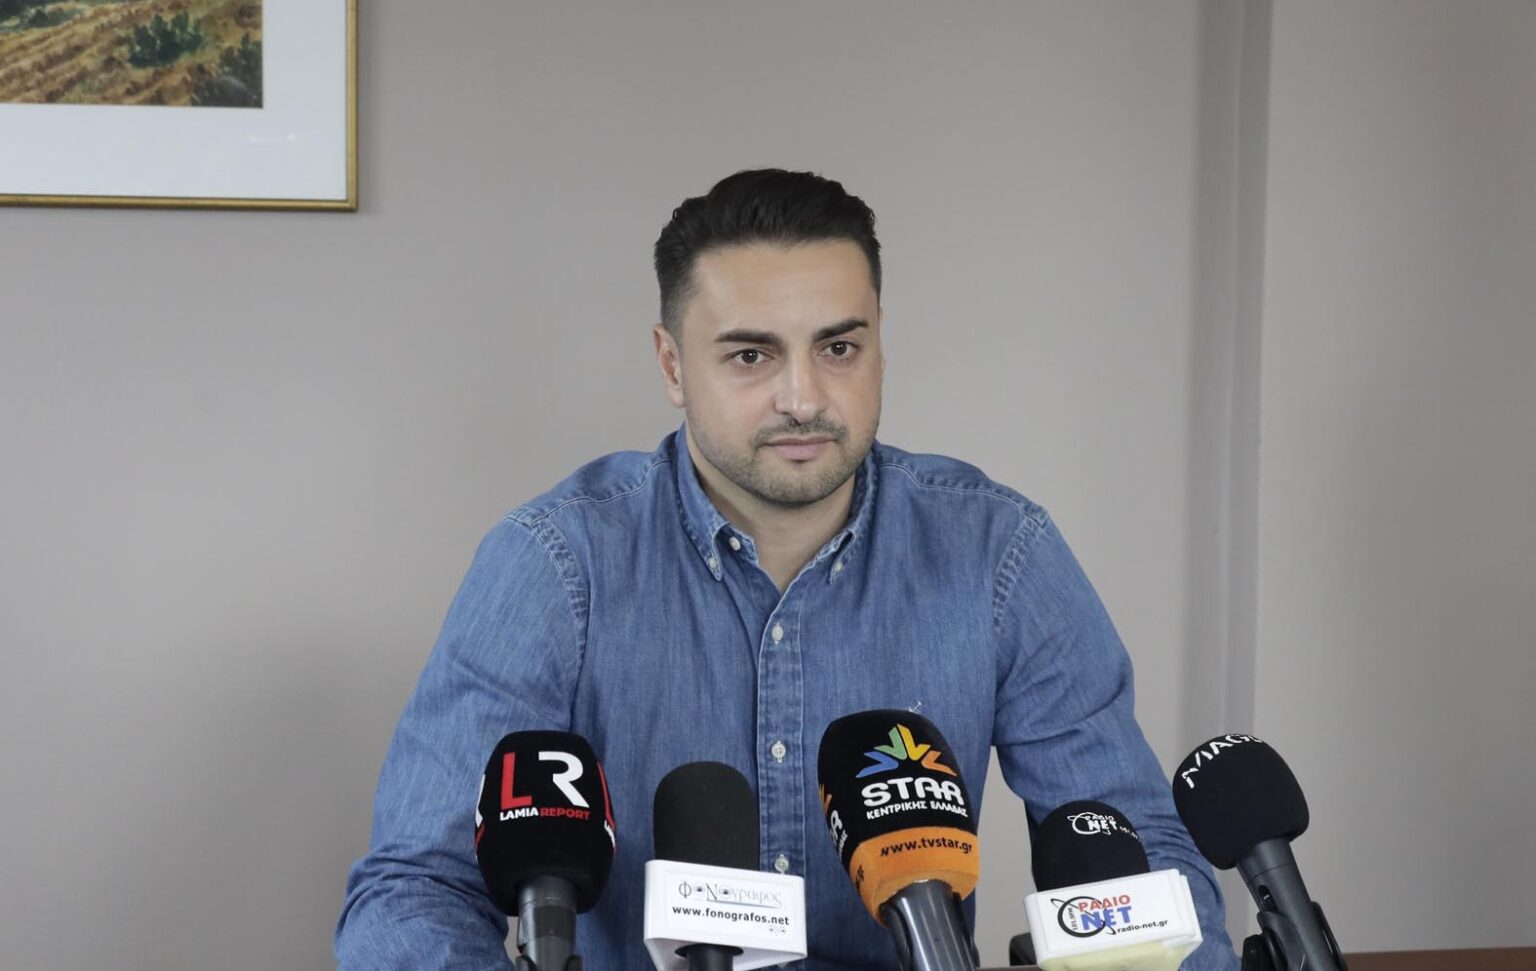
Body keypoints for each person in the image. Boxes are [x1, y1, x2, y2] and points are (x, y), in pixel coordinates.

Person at [335, 168, 1237, 970]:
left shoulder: (999, 552)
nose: (803, 397)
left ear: (880, 343)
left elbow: (1143, 861)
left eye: (838, 347)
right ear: (672, 364)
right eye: (750, 354)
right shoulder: (555, 562)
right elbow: (416, 888)